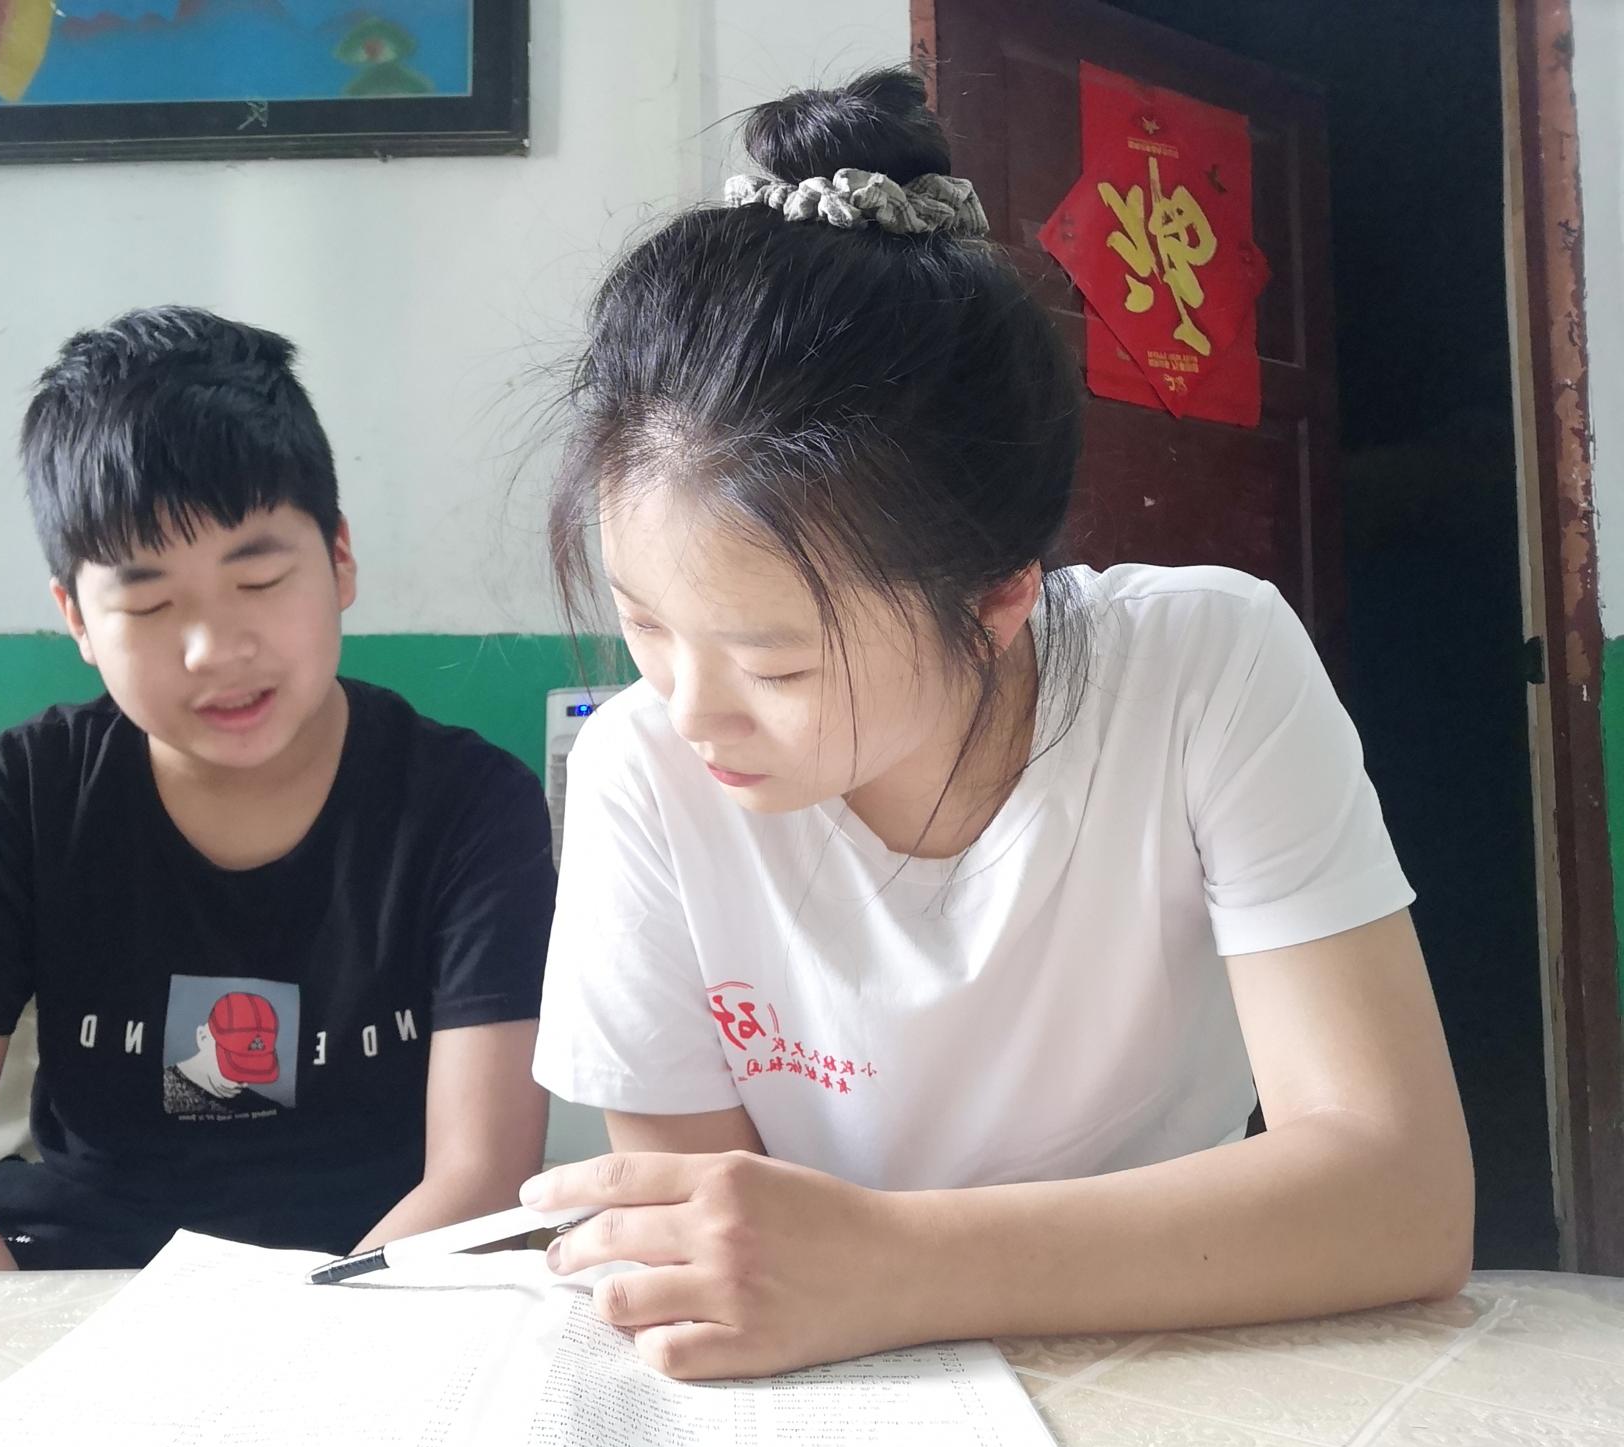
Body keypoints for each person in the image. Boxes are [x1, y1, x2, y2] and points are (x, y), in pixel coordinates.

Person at [524, 70, 1473, 1380]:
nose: (690, 710)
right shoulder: (640, 771)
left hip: (1178, 1359)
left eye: (777, 666)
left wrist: (891, 1265)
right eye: (646, 625)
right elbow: (708, 1265)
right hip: (851, 1401)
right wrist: (841, 1281)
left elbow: (1399, 1193)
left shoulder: (1203, 665)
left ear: (996, 601)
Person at [0, 307, 555, 1269]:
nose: (215, 649)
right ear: (77, 619)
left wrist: (308, 1342)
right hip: (76, 1286)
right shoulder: (20, 798)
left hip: (373, 1285)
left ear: (340, 560)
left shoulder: (469, 806)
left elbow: (482, 1181)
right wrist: (21, 1348)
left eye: (258, 582)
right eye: (148, 603)